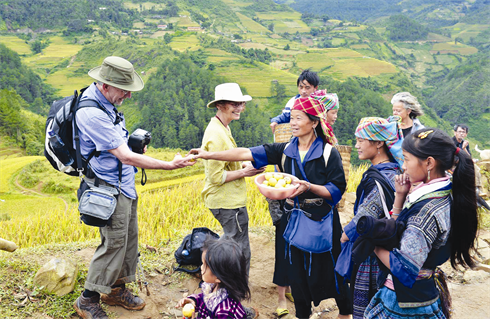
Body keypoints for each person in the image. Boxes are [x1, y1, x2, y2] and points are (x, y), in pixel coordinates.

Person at [190, 96, 353, 319]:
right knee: (296, 273)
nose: (293, 123)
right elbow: (244, 153)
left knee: (333, 268)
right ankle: (302, 314)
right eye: (292, 118)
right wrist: (207, 154)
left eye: (299, 118)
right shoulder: (285, 150)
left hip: (322, 220)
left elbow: (336, 189)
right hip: (293, 220)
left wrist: (309, 187)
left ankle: (345, 313)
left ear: (314, 122)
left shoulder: (327, 153)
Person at [73, 56, 196, 319]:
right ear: (105, 85)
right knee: (114, 243)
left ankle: (116, 290)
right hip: (107, 187)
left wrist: (134, 144)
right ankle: (88, 299)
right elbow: (125, 157)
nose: (128, 95)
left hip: (124, 184)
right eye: (123, 89)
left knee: (129, 239)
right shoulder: (91, 112)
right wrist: (168, 165)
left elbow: (121, 147)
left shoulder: (108, 104)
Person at [364, 128, 478, 318]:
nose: (403, 165)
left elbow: (403, 268)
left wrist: (373, 244)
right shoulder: (447, 191)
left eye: (407, 158)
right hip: (422, 297)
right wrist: (399, 197)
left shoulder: (425, 212)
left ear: (429, 163)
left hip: (404, 306)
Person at [340, 117, 403, 319]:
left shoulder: (377, 179)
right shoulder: (396, 170)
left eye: (361, 140)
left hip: (373, 255)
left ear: (379, 143)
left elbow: (364, 218)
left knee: (367, 307)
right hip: (393, 247)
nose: (356, 145)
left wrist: (345, 235)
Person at [201, 82, 265, 276]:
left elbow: (226, 161)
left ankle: (212, 275)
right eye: (233, 103)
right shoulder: (216, 134)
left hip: (228, 200)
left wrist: (243, 166)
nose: (239, 108)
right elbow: (215, 176)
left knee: (230, 242)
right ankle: (235, 292)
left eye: (241, 103)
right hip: (227, 202)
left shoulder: (223, 127)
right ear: (220, 105)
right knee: (240, 250)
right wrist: (244, 173)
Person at [177, 237, 254, 318]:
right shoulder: (214, 286)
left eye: (204, 265)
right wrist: (193, 300)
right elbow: (204, 298)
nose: (201, 267)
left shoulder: (225, 312)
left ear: (218, 277)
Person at [270, 69, 319, 133]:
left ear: (315, 88)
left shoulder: (318, 102)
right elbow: (285, 116)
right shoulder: (293, 102)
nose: (303, 91)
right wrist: (275, 121)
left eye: (307, 88)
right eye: (301, 87)